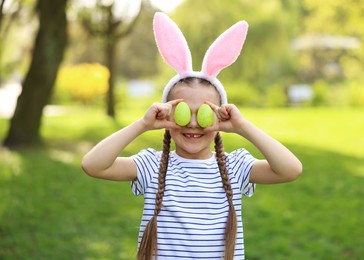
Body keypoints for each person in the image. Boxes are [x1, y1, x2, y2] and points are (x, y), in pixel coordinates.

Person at [82, 12, 302, 260]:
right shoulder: (151, 165)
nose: (194, 124)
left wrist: (243, 127)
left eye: (206, 113)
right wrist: (142, 125)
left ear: (221, 117)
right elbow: (92, 165)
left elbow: (290, 169)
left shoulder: (235, 166)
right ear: (166, 115)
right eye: (184, 113)